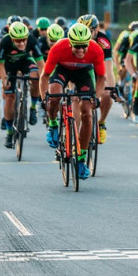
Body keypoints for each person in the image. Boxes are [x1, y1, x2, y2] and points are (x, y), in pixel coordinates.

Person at [40, 23, 106, 180]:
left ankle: (81, 158)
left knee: (87, 113)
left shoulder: (96, 49)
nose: (81, 50)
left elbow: (102, 78)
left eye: (84, 46)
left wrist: (96, 97)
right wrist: (44, 99)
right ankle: (54, 125)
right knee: (54, 95)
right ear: (69, 43)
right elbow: (44, 77)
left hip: (84, 73)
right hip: (62, 70)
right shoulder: (58, 48)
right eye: (77, 46)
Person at [0, 22, 45, 148]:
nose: (22, 43)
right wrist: (4, 79)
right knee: (10, 97)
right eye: (18, 41)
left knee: (36, 77)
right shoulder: (5, 42)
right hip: (9, 65)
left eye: (24, 40)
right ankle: (9, 133)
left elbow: (41, 63)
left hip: (25, 61)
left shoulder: (32, 40)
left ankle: (33, 107)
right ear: (12, 38)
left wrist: (43, 80)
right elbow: (0, 65)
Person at [77, 14, 116, 144]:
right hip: (80, 69)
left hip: (98, 68)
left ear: (96, 30)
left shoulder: (103, 42)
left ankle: (101, 123)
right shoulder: (74, 38)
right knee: (75, 98)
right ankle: (74, 132)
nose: (85, 34)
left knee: (107, 95)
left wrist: (111, 88)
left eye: (89, 31)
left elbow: (109, 68)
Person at [113, 21, 138, 89]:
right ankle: (121, 82)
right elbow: (116, 52)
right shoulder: (125, 37)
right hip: (125, 52)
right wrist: (119, 68)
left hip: (136, 54)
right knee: (124, 68)